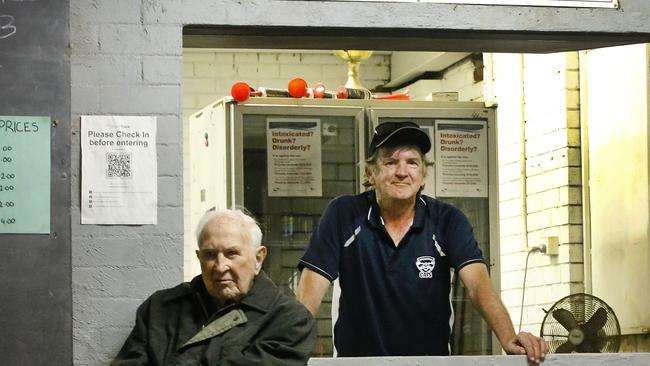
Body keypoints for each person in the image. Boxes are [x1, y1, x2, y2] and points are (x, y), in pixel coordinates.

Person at [296, 121, 548, 363]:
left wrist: (508, 336)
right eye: (390, 162)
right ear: (370, 173)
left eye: (412, 162)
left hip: (429, 364)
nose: (402, 172)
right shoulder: (344, 213)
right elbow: (312, 287)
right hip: (359, 364)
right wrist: (288, 345)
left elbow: (478, 285)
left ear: (423, 174)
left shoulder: (448, 220)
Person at [113, 209, 316, 366]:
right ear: (198, 257)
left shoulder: (290, 320)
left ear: (258, 258)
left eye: (232, 253)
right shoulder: (160, 308)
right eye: (210, 254)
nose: (220, 267)